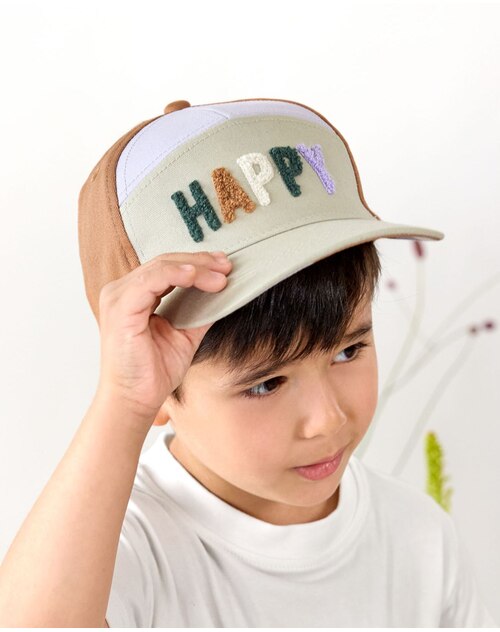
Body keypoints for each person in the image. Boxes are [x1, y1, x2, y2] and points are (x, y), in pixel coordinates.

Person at [0, 98, 495, 627]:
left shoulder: (420, 539)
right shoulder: (124, 553)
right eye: (267, 383)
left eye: (348, 351)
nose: (327, 419)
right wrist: (124, 402)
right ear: (161, 388)